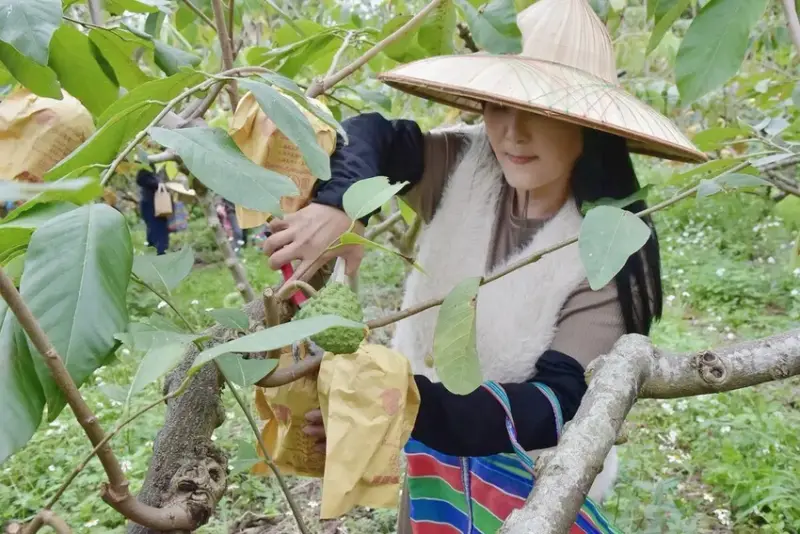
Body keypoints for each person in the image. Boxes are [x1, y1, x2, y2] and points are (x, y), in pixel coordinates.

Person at [262, 0, 706, 531]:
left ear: (590, 127)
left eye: (541, 111)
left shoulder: (609, 252)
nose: (512, 133)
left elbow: (553, 405)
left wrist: (395, 406)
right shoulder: (466, 164)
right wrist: (340, 205)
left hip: (533, 486)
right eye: (500, 105)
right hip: (430, 459)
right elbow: (372, 133)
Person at [136, 165, 170, 255]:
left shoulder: (157, 169)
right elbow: (140, 179)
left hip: (159, 205)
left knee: (159, 229)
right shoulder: (147, 167)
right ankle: (158, 252)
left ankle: (160, 251)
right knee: (155, 229)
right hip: (150, 204)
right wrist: (157, 184)